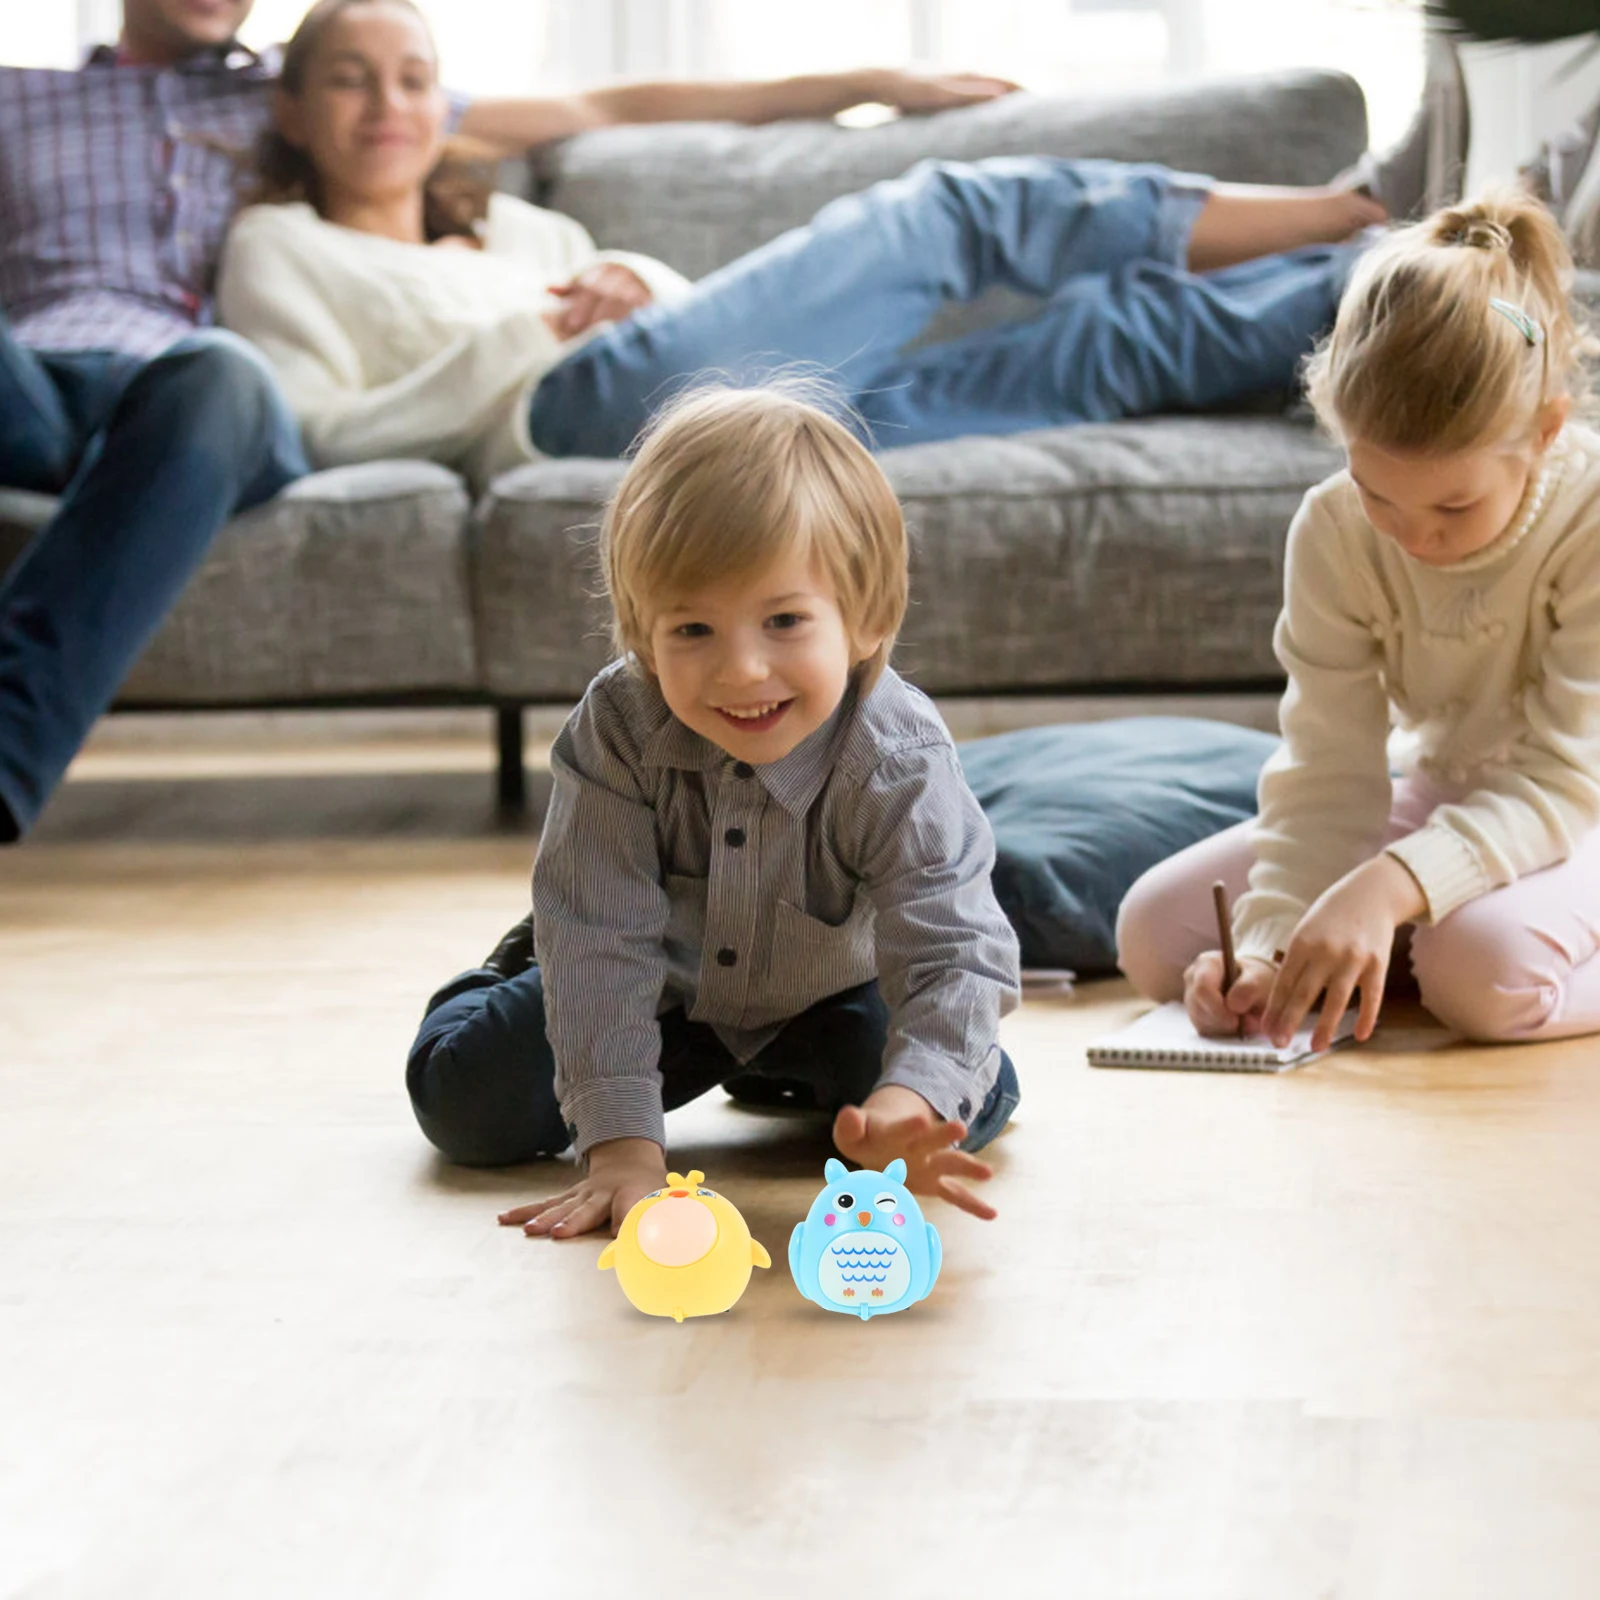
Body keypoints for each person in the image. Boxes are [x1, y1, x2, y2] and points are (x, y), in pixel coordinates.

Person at [0, 0, 1010, 846]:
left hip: (198, 409)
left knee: (217, 370)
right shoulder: (23, 97)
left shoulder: (299, 93)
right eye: (359, 82)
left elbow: (606, 103)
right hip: (39, 382)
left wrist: (864, 81)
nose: (383, 99)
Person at [216, 0, 1407, 484]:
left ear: (447, 105)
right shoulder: (282, 247)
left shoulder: (523, 225)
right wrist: (524, 337)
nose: (387, 106)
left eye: (413, 79)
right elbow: (312, 433)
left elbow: (692, 328)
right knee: (946, 214)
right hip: (571, 415)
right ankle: (1351, 203)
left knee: (1095, 346)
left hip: (719, 416)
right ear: (292, 109)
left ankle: (1399, 277)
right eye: (350, 81)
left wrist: (642, 279)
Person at [407, 385, 1023, 1236]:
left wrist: (907, 1098)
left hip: (833, 989)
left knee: (959, 1101)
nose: (740, 671)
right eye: (692, 630)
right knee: (464, 1106)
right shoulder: (620, 726)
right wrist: (622, 1145)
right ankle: (516, 962)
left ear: (868, 619)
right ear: (640, 634)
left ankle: (790, 1068)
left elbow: (955, 948)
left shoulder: (899, 754)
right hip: (656, 984)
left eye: (783, 620)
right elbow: (602, 938)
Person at [1116, 187, 1600, 1054]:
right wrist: (1267, 948)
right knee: (1156, 936)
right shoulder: (1334, 526)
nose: (1415, 538)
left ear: (1545, 432)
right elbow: (1328, 765)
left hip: (1582, 804)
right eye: (1380, 494)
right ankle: (1410, 941)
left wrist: (1384, 889)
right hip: (1448, 788)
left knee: (1482, 980)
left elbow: (1567, 781)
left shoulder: (1590, 514)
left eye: (1454, 506)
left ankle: (1428, 941)